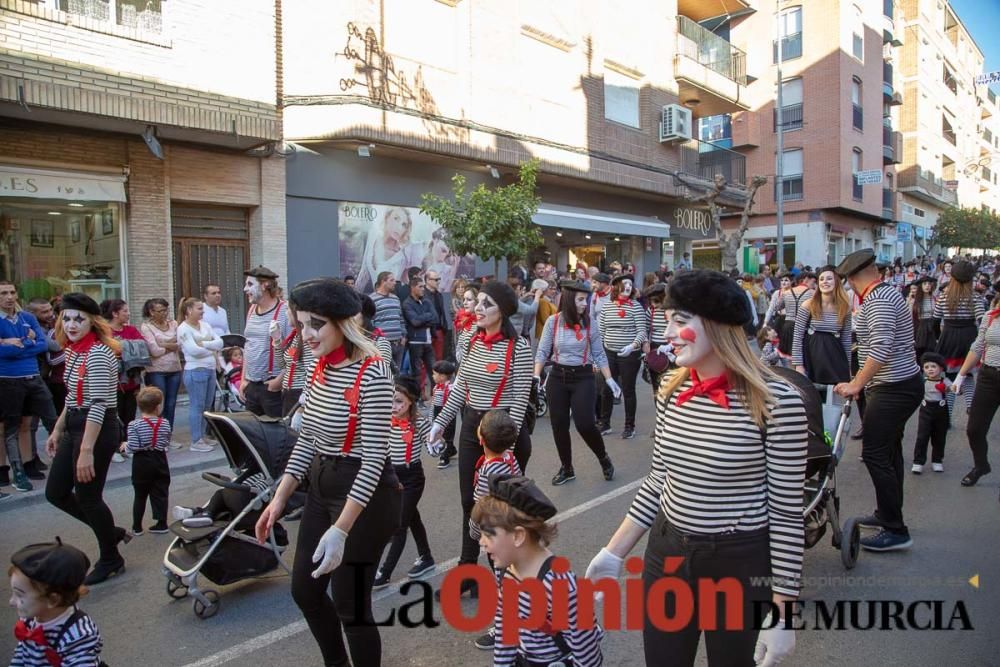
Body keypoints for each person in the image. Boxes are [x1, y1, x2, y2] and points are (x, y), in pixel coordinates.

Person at [585, 269, 807, 667]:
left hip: (738, 563)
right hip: (667, 554)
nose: (667, 333)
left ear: (720, 328)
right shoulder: (671, 387)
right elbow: (658, 481)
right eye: (667, 320)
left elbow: (788, 514)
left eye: (680, 322)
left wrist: (784, 610)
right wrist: (614, 551)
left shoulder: (779, 403)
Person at [254, 278, 401, 667]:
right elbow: (307, 440)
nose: (306, 334)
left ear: (343, 323)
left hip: (365, 497)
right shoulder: (317, 366)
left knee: (350, 604)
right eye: (301, 324)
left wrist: (341, 529)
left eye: (316, 324)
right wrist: (280, 497)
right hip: (322, 484)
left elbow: (373, 460)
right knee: (305, 590)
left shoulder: (373, 371)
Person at [428, 281, 532, 598]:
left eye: (486, 304)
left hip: (502, 432)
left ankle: (511, 581)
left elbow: (518, 403)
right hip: (473, 426)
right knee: (468, 504)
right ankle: (468, 574)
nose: (477, 309)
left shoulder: (520, 348)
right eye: (477, 303)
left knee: (495, 511)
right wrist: (439, 423)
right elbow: (460, 388)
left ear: (503, 312)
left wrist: (502, 454)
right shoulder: (472, 339)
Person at [834, 249, 922, 552]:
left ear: (854, 278)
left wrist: (856, 384)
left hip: (894, 388)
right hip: (898, 385)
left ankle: (896, 530)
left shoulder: (879, 300)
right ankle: (887, 515)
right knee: (889, 451)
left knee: (874, 454)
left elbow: (881, 348)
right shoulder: (884, 293)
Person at [44, 293, 131, 585]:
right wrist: (57, 429)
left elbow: (97, 404)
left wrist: (86, 450)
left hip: (98, 429)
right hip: (76, 424)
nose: (70, 324)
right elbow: (72, 397)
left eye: (78, 319)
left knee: (88, 498)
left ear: (92, 322)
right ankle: (111, 532)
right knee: (55, 492)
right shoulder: (73, 351)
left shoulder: (98, 353)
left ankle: (111, 557)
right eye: (66, 318)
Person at [474, 474, 604, 666]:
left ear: (518, 536)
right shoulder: (509, 571)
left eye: (488, 534)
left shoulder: (559, 585)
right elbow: (505, 631)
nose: (481, 542)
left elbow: (587, 652)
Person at [534, 280, 618, 486]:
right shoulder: (553, 322)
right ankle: (567, 468)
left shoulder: (591, 324)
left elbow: (598, 353)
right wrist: (536, 376)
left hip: (583, 377)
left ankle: (603, 457)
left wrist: (609, 379)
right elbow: (543, 351)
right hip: (557, 377)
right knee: (559, 425)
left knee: (585, 424)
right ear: (570, 300)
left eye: (586, 300)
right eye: (581, 299)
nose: (585, 304)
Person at [465, 411, 524, 651]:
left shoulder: (489, 470)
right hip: (518, 531)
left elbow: (481, 507)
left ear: (481, 438)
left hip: (499, 538)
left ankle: (505, 630)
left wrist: (474, 530)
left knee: (505, 584)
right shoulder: (510, 458)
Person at [373, 375, 434, 589]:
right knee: (411, 517)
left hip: (412, 478)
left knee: (399, 525)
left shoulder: (419, 423)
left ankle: (385, 572)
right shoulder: (383, 420)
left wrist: (437, 445)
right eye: (391, 400)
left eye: (399, 401)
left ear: (411, 401)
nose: (393, 406)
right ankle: (426, 557)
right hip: (391, 477)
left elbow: (433, 445)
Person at [9, 538, 104, 666]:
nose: (11, 602)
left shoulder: (78, 634)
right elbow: (22, 653)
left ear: (53, 600)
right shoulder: (30, 619)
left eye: (19, 595)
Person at [0, 281, 55, 493]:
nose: (9, 297)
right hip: (7, 379)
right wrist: (25, 343)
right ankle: (9, 470)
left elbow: (42, 345)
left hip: (33, 378)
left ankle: (28, 462)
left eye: (12, 292)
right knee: (8, 427)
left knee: (34, 422)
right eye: (4, 293)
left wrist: (15, 342)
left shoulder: (27, 318)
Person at [951, 296, 1000, 487]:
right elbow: (978, 346)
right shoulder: (990, 316)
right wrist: (960, 376)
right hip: (988, 376)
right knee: (974, 429)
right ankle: (981, 465)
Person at [597, 273, 647, 439]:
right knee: (606, 389)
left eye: (630, 284)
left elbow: (642, 332)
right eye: (624, 284)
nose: (628, 287)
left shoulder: (636, 307)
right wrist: (601, 353)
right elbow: (601, 330)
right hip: (609, 353)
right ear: (616, 287)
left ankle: (629, 426)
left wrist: (632, 346)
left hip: (629, 355)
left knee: (628, 390)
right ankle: (605, 424)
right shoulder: (607, 306)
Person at [241, 265, 291, 419]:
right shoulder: (251, 310)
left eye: (250, 284)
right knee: (253, 434)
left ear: (265, 285)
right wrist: (243, 379)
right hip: (251, 385)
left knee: (277, 434)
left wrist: (278, 381)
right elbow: (248, 347)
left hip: (271, 386)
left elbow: (294, 351)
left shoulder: (284, 311)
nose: (245, 289)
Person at [934, 261, 984, 410]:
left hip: (948, 337)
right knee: (967, 375)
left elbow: (935, 320)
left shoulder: (944, 296)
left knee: (949, 377)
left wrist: (938, 338)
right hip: (969, 336)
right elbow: (981, 319)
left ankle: (947, 415)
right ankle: (970, 407)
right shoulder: (975, 296)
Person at [122, 385, 172, 535]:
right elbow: (166, 442)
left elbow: (134, 446)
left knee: (140, 494)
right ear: (158, 407)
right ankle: (161, 523)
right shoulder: (165, 423)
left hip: (142, 462)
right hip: (160, 458)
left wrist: (125, 446)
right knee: (161, 492)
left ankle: (137, 526)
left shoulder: (134, 424)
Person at [791, 265, 852, 385]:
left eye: (829, 278)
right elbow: (797, 337)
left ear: (837, 281)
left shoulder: (845, 308)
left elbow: (846, 339)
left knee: (834, 399)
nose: (825, 282)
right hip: (812, 357)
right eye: (821, 279)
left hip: (835, 357)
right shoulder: (808, 305)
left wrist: (848, 367)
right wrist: (798, 365)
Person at [177, 297, 223, 452]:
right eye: (199, 309)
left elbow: (220, 343)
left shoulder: (205, 325)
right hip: (195, 370)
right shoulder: (183, 328)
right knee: (197, 405)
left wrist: (203, 344)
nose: (203, 312)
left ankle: (203, 436)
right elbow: (192, 351)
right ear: (189, 310)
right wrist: (211, 347)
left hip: (210, 369)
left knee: (206, 405)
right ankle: (196, 440)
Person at [355, 206, 424, 295]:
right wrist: (354, 300)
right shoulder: (373, 237)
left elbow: (402, 285)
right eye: (396, 218)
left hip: (392, 302)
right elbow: (363, 275)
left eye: (404, 225)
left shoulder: (401, 257)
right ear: (387, 217)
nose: (399, 227)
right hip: (373, 301)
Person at [140, 297, 181, 432]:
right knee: (158, 403)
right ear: (152, 312)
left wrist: (163, 344)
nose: (164, 313)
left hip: (174, 368)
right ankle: (156, 433)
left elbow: (180, 344)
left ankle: (167, 433)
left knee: (171, 404)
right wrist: (171, 345)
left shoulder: (173, 324)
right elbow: (154, 351)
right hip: (156, 370)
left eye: (165, 310)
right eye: (160, 311)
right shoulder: (146, 327)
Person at [910, 352, 954, 475]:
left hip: (941, 411)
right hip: (926, 411)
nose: (930, 369)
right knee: (922, 436)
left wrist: (948, 389)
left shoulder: (945, 381)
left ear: (941, 368)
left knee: (939, 436)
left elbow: (955, 389)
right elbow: (915, 392)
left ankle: (937, 460)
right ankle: (918, 462)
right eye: (927, 367)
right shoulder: (922, 381)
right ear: (923, 369)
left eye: (933, 367)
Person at [402, 275, 438, 398]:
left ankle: (436, 396)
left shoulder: (426, 301)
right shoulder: (407, 303)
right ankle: (417, 399)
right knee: (416, 373)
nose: (423, 289)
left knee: (434, 371)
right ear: (412, 288)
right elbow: (415, 322)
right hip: (415, 342)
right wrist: (427, 316)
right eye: (420, 286)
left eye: (423, 286)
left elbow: (436, 318)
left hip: (428, 341)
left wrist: (423, 318)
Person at [278, 302, 315, 417]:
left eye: (287, 309)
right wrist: (276, 341)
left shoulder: (305, 338)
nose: (285, 313)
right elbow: (282, 365)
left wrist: (303, 405)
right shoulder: (294, 336)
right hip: (288, 392)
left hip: (298, 393)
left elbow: (311, 371)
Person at [371, 271, 406, 369]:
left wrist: (403, 336)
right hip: (383, 344)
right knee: (384, 371)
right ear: (383, 281)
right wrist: (376, 340)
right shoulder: (372, 299)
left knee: (397, 373)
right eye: (392, 280)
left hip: (398, 343)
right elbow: (370, 322)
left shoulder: (395, 298)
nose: (395, 282)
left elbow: (401, 318)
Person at [431, 360, 458, 469]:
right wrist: (431, 417)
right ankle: (451, 449)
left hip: (448, 415)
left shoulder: (450, 388)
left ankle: (444, 456)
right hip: (437, 413)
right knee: (440, 434)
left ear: (442, 376)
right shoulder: (436, 388)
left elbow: (453, 404)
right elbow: (433, 403)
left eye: (434, 374)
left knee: (447, 436)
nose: (432, 376)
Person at [424, 269, 451, 364]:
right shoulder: (422, 294)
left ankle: (437, 378)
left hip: (439, 329)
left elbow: (441, 312)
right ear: (427, 280)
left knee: (439, 357)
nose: (438, 282)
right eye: (435, 279)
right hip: (426, 330)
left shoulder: (439, 295)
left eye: (438, 279)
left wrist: (444, 327)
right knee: (425, 360)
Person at [910, 276, 939, 361]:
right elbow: (912, 319)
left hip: (932, 327)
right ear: (921, 286)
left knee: (932, 351)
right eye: (925, 284)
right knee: (920, 351)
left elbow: (938, 317)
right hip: (920, 327)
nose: (927, 286)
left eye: (929, 284)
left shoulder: (935, 299)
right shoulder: (914, 301)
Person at [453, 283, 478, 364]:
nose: (464, 303)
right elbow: (459, 348)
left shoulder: (483, 325)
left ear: (478, 301)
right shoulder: (466, 321)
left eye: (469, 300)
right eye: (464, 299)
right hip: (463, 369)